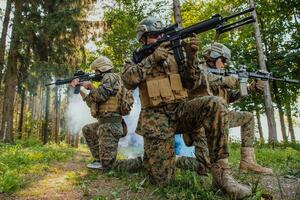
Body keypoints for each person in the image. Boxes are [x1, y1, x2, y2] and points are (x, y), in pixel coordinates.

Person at [121, 17, 251, 199]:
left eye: (160, 34)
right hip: (155, 118)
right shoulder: (135, 59)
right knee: (162, 182)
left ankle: (222, 176)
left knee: (215, 103)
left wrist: (191, 58)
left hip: (182, 111)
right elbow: (127, 81)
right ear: (143, 38)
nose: (159, 38)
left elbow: (193, 83)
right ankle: (146, 162)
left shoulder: (176, 53)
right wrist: (152, 59)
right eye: (153, 36)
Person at [179, 42, 273, 175]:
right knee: (205, 168)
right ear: (212, 58)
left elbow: (229, 97)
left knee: (248, 117)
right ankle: (175, 160)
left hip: (218, 119)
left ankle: (248, 161)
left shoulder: (221, 76)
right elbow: (203, 80)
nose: (224, 64)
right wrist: (228, 80)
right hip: (200, 125)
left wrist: (250, 88)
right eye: (222, 60)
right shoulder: (196, 69)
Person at [70, 56, 142, 171]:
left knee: (108, 166)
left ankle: (139, 164)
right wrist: (81, 90)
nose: (94, 74)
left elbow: (100, 96)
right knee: (88, 129)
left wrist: (89, 86)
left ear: (102, 69)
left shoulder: (110, 77)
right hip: (105, 125)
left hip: (111, 125)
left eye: (96, 71)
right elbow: (93, 103)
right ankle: (99, 159)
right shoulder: (106, 81)